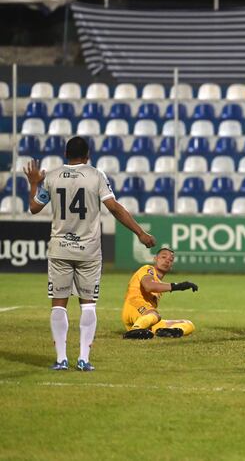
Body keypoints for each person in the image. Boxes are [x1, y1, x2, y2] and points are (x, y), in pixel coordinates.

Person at [23, 136, 155, 371]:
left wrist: (34, 182)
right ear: (88, 155)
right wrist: (140, 233)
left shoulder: (52, 177)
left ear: (66, 154)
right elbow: (114, 207)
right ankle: (83, 359)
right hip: (89, 252)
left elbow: (34, 208)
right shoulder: (96, 175)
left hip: (60, 250)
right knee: (88, 306)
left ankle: (62, 359)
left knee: (58, 305)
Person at [122, 248, 199, 339]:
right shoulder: (147, 269)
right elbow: (149, 286)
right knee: (155, 315)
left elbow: (155, 286)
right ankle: (135, 330)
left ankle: (168, 332)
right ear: (155, 259)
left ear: (171, 265)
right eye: (163, 257)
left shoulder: (159, 284)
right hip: (133, 307)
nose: (167, 260)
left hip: (145, 319)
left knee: (188, 324)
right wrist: (178, 286)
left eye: (171, 260)